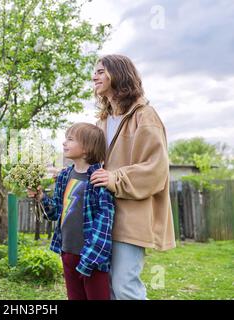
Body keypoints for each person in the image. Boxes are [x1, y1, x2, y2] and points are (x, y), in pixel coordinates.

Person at [90, 54, 176, 300]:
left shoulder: (145, 115)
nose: (94, 76)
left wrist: (115, 178)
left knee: (125, 285)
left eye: (100, 71)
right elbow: (93, 164)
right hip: (103, 216)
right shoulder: (102, 122)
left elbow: (156, 168)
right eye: (94, 72)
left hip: (132, 216)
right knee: (107, 289)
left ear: (118, 74)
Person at [28, 123, 115, 300]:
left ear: (87, 148)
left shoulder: (99, 178)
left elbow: (104, 223)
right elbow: (55, 213)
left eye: (70, 139)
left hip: (92, 259)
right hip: (67, 252)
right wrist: (41, 197)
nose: (64, 143)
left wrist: (91, 259)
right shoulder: (64, 176)